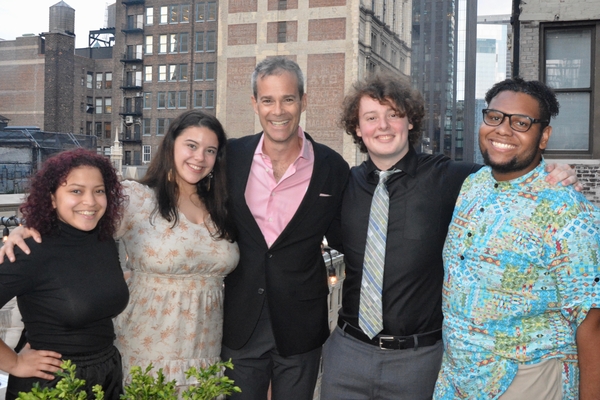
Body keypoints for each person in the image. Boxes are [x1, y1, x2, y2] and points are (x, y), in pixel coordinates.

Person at [320, 75, 580, 399]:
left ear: (410, 122)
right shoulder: (346, 185)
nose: (383, 126)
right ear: (357, 128)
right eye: (371, 117)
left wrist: (556, 171)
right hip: (348, 355)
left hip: (419, 362)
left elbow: (512, 169)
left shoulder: (452, 178)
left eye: (394, 115)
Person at [0, 110, 239, 391]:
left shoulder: (224, 206)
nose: (199, 157)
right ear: (170, 146)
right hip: (147, 345)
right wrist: (25, 227)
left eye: (210, 150)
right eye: (191, 145)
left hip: (205, 346)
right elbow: (76, 218)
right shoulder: (137, 199)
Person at [434, 78, 600, 400]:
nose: (503, 130)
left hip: (526, 378)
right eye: (495, 117)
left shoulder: (568, 212)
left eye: (521, 123)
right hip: (457, 378)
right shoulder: (473, 184)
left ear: (543, 137)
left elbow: (592, 325)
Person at [220, 56, 349, 399]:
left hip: (301, 323)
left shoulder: (332, 167)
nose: (278, 110)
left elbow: (348, 236)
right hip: (240, 319)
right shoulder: (230, 157)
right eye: (268, 100)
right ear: (255, 104)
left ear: (304, 101)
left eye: (288, 99)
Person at [0, 148, 129, 400]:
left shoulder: (103, 240)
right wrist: (14, 363)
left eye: (99, 190)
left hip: (107, 375)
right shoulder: (29, 250)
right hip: (53, 384)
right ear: (51, 198)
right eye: (76, 191)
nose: (90, 201)